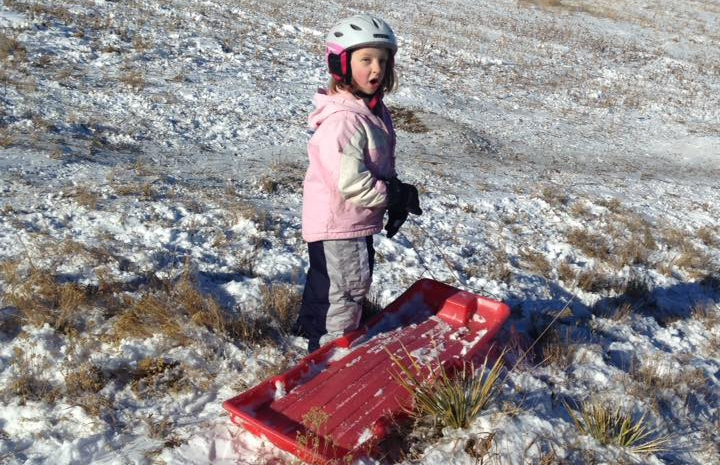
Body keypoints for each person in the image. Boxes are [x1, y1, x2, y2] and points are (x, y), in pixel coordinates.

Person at [293, 14, 422, 353]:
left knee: (333, 286)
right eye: (366, 60)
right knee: (345, 291)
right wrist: (391, 195)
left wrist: (395, 195)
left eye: (382, 60)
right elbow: (353, 184)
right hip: (340, 223)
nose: (376, 69)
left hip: (352, 220)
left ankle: (309, 334)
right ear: (342, 63)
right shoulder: (345, 120)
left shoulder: (372, 111)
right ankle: (329, 356)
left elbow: (374, 165)